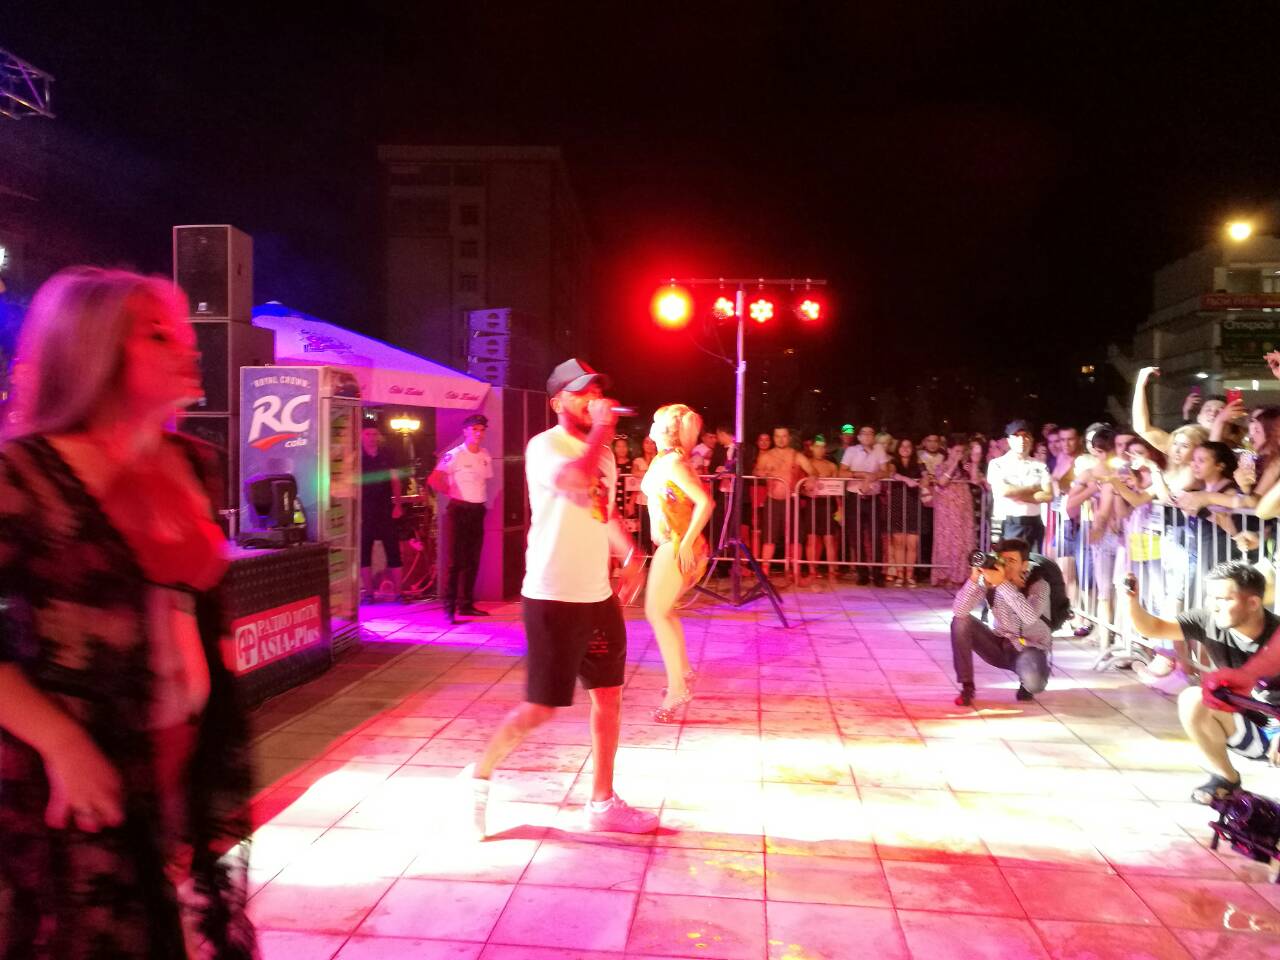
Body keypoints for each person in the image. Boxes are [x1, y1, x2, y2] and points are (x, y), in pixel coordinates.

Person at [0, 268, 255, 956]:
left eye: (181, 329)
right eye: (157, 334)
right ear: (94, 350)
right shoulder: (24, 475)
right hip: (79, 769)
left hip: (182, 762)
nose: (188, 345)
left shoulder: (195, 462)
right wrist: (60, 742)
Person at [461, 359, 654, 839]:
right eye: (582, 392)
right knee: (541, 707)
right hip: (552, 596)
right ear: (557, 402)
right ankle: (478, 778)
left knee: (608, 697)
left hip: (597, 596)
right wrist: (600, 433)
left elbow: (601, 510)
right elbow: (573, 481)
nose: (594, 399)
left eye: (597, 391)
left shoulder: (602, 454)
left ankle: (602, 802)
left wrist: (630, 553)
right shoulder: (544, 446)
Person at [1126, 561, 1280, 804]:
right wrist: (1131, 600)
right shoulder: (1207, 621)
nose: (1214, 606)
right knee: (1192, 699)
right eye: (1211, 597)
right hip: (1250, 729)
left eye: (1224, 599)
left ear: (1253, 603)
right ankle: (1226, 778)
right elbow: (1153, 628)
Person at [641, 405, 713, 722]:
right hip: (675, 543)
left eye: (655, 422)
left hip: (677, 546)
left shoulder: (672, 463)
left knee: (656, 612)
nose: (651, 426)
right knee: (664, 611)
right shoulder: (664, 459)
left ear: (665, 431)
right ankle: (682, 672)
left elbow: (705, 502)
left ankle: (677, 689)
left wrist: (685, 542)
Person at [950, 538, 1052, 706]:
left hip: (1030, 649)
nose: (1006, 566)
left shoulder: (1039, 585)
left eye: (1012, 561)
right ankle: (967, 686)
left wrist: (1003, 584)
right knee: (960, 622)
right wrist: (975, 579)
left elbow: (1029, 617)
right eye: (1002, 560)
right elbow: (959, 611)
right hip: (1000, 646)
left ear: (1024, 565)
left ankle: (1027, 682)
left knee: (1034, 684)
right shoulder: (992, 581)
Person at [429, 413, 494, 623]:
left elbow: (484, 481)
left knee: (472, 559)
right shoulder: (454, 454)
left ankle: (466, 605)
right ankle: (449, 608)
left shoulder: (485, 455)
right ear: (465, 431)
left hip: (477, 510)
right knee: (455, 561)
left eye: (482, 430)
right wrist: (452, 492)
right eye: (474, 429)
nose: (478, 433)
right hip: (459, 510)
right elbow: (434, 479)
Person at [754, 426, 814, 580]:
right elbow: (756, 471)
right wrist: (762, 473)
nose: (781, 439)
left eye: (784, 436)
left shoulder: (796, 455)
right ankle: (764, 572)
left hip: (791, 500)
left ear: (789, 438)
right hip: (772, 501)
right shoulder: (767, 456)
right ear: (774, 438)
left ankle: (796, 571)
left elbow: (812, 470)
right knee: (769, 537)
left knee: (795, 537)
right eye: (777, 436)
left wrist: (812, 478)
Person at [986, 419, 1052, 551]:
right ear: (1009, 440)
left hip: (1035, 522)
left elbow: (1048, 495)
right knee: (1009, 561)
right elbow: (1004, 491)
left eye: (1025, 436)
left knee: (1033, 562)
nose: (1021, 440)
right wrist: (1034, 488)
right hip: (1009, 522)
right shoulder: (997, 464)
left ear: (1031, 439)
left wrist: (1017, 494)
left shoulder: (1040, 465)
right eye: (1016, 436)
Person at [842, 424, 892, 584]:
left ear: (874, 436)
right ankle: (862, 573)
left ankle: (877, 574)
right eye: (864, 433)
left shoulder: (879, 450)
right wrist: (861, 474)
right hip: (854, 496)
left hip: (873, 496)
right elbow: (841, 472)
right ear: (858, 437)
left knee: (875, 535)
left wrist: (873, 476)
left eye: (870, 433)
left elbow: (886, 471)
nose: (867, 436)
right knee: (856, 535)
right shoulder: (851, 451)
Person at [360, 423, 404, 602]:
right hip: (364, 510)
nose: (371, 438)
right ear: (361, 436)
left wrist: (398, 504)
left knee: (393, 549)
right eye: (368, 434)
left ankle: (399, 593)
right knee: (364, 551)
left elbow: (395, 481)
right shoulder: (357, 458)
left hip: (385, 508)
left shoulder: (387, 455)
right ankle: (369, 593)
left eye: (374, 434)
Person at [931, 434, 976, 589]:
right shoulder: (941, 466)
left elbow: (975, 480)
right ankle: (945, 575)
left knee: (964, 541)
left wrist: (971, 468)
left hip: (964, 510)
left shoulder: (965, 467)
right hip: (947, 510)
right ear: (949, 450)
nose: (960, 454)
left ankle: (962, 575)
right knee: (947, 540)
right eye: (957, 451)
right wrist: (954, 464)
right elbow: (942, 482)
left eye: (962, 452)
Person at [885, 437, 926, 586]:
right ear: (898, 448)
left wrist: (925, 481)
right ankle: (900, 575)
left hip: (914, 504)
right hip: (897, 504)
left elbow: (926, 476)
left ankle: (909, 575)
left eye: (908, 446)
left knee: (912, 543)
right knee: (899, 542)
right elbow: (891, 474)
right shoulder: (893, 462)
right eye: (902, 446)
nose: (905, 448)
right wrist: (906, 479)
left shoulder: (919, 463)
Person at [801, 435, 842, 581]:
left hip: (828, 505)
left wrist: (840, 508)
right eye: (817, 446)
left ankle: (832, 571)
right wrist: (807, 493)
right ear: (812, 448)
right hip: (812, 504)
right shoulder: (807, 465)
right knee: (812, 539)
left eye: (822, 447)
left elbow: (838, 489)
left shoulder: (832, 466)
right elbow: (800, 487)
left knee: (829, 539)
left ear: (826, 449)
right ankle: (812, 571)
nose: (820, 450)